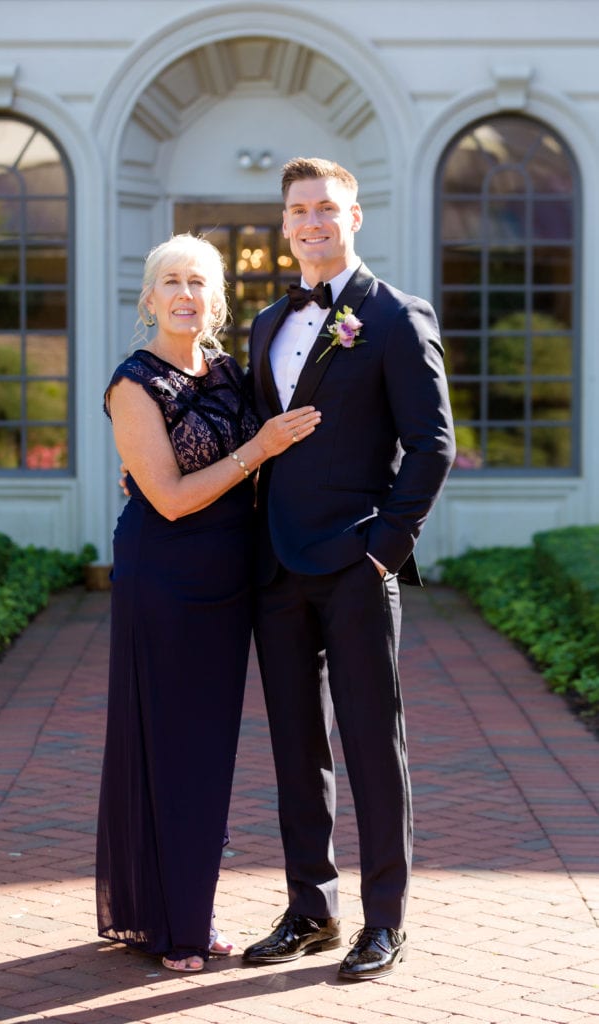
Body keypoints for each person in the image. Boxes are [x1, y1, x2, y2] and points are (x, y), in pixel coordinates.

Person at [241, 157, 455, 981]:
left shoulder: (395, 317)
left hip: (357, 565)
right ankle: (310, 910)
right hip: (275, 568)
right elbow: (254, 438)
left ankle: (384, 922)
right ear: (285, 223)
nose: (312, 223)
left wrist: (383, 551)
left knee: (371, 744)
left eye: (326, 208)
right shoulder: (265, 324)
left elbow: (432, 444)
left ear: (353, 217)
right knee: (296, 748)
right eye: (298, 210)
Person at [95, 233, 321, 973]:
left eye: (199, 282)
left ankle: (191, 908)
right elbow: (167, 496)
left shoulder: (229, 373)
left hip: (230, 580)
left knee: (210, 754)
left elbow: (272, 464)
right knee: (171, 747)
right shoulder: (132, 384)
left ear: (216, 299)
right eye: (171, 281)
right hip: (164, 578)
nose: (185, 294)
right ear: (150, 299)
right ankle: (170, 926)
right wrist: (258, 450)